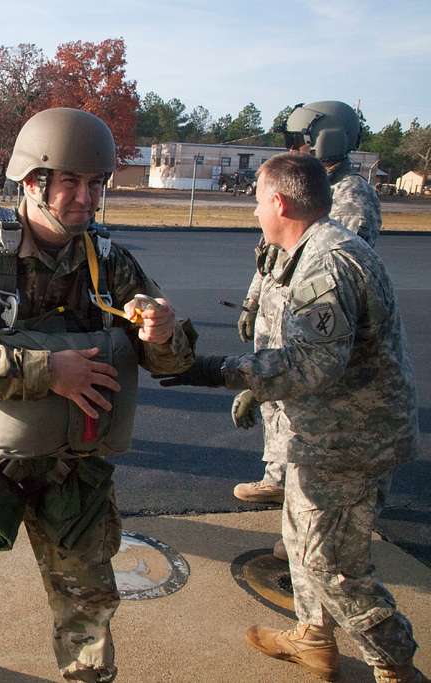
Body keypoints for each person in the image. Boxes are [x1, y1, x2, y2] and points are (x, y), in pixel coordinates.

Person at [0, 108, 195, 683]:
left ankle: (87, 675)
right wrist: (45, 372)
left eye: (96, 184)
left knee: (89, 597)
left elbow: (171, 358)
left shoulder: (108, 261)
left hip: (72, 461)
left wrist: (163, 334)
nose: (87, 198)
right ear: (32, 182)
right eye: (72, 182)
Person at [158, 153, 425, 683]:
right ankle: (313, 638)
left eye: (258, 200)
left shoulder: (326, 263)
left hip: (348, 442)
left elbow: (312, 365)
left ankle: (394, 661)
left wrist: (217, 370)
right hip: (325, 431)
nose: (255, 211)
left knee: (333, 568)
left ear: (279, 202)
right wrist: (263, 392)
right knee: (301, 542)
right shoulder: (311, 250)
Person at [234, 102, 382, 519]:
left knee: (307, 407)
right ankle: (279, 479)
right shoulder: (302, 184)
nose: (294, 149)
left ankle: (306, 501)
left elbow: (334, 270)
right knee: (276, 405)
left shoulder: (349, 195)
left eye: (300, 141)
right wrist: (252, 301)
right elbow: (273, 254)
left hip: (313, 324)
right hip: (279, 316)